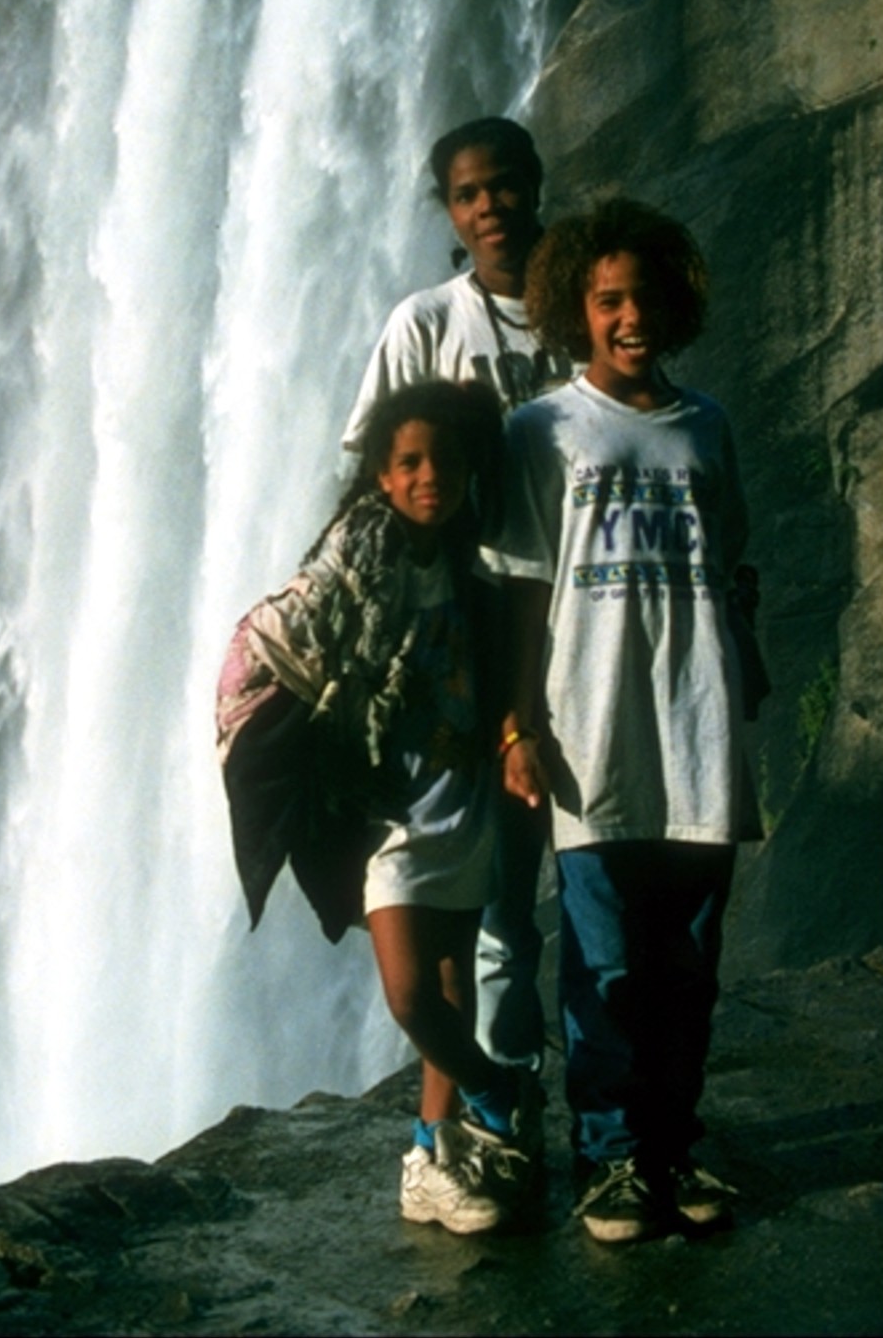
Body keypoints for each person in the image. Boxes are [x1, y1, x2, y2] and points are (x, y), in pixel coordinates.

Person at [217, 381, 541, 1235]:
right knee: (409, 995)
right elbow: (272, 634)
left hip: (460, 799)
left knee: (452, 981)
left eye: (445, 460)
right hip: (387, 813)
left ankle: (431, 1156)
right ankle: (496, 1088)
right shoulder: (354, 560)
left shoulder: (472, 566)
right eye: (409, 463)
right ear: (381, 477)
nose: (430, 476)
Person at [486, 198, 751, 1243]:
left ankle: (672, 1146)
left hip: (700, 734)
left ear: (674, 303)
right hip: (590, 734)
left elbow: (731, 570)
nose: (628, 316)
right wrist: (518, 727)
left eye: (643, 297)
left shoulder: (706, 426)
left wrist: (745, 691)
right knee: (603, 967)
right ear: (575, 311)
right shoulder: (541, 430)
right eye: (607, 301)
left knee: (687, 967)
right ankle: (608, 1159)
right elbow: (520, 592)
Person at [343, 118, 573, 1104]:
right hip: (469, 636)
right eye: (468, 194)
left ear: (536, 184)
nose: (490, 208)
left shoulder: (587, 311)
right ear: (447, 210)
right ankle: (496, 1109)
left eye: (504, 185)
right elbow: (372, 477)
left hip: (586, 617)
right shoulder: (427, 323)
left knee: (571, 883)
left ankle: (583, 1107)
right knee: (498, 903)